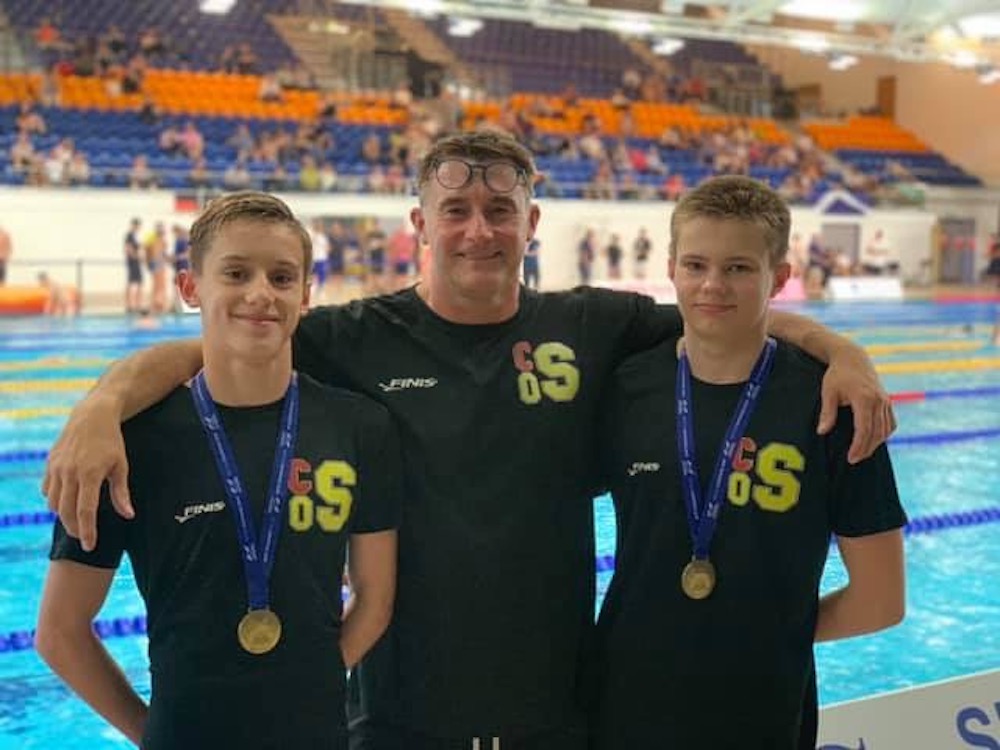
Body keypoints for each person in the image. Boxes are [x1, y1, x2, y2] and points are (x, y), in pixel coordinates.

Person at [43, 133, 894, 750]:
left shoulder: (597, 324)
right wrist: (105, 399)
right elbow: (225, 342)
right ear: (421, 220)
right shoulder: (353, 336)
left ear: (533, 221)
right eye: (456, 210)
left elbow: (732, 316)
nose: (478, 229)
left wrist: (844, 351)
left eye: (500, 210)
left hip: (559, 712)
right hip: (396, 716)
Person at [35, 192, 400, 749]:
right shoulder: (130, 442)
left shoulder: (360, 428)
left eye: (281, 277)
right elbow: (60, 632)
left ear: (305, 293)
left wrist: (313, 685)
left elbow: (374, 597)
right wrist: (152, 730)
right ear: (190, 288)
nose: (260, 293)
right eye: (235, 272)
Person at [591, 176, 906, 749]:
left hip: (762, 713)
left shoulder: (835, 405)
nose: (712, 285)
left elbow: (881, 601)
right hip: (624, 702)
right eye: (695, 265)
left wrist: (774, 634)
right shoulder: (623, 389)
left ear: (779, 279)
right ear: (671, 270)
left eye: (738, 268)